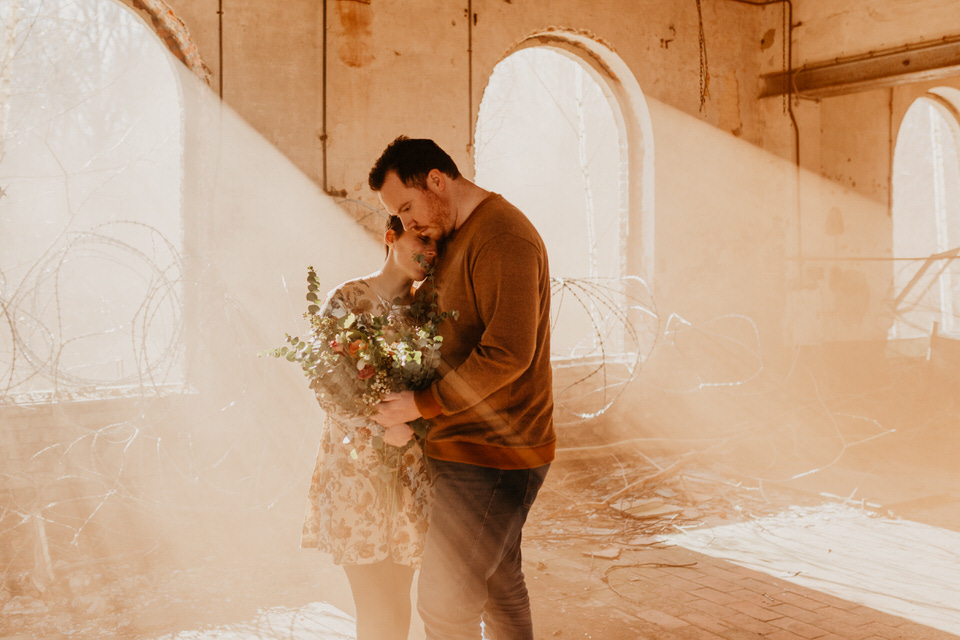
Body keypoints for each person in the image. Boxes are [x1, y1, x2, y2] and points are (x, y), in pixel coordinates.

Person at [368, 136, 556, 640]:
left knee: (445, 603)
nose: (408, 224)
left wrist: (420, 403)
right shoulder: (455, 236)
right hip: (465, 443)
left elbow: (509, 352)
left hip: (495, 452)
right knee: (499, 585)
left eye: (407, 207)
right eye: (398, 218)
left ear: (437, 179)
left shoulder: (502, 237)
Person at [300, 214, 437, 640]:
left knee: (398, 601)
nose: (431, 251)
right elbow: (326, 385)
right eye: (422, 238)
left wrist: (413, 429)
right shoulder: (347, 299)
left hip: (410, 475)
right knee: (372, 604)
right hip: (356, 476)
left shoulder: (427, 309)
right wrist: (387, 430)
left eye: (438, 244)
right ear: (391, 236)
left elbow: (441, 387)